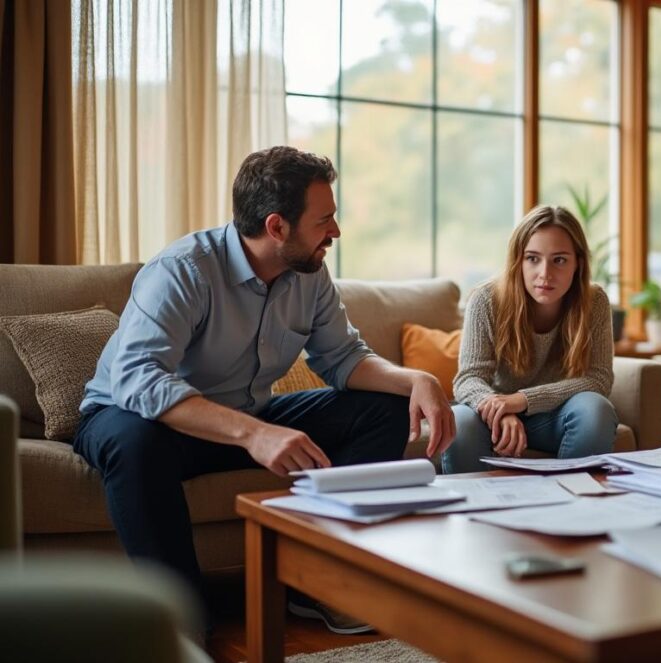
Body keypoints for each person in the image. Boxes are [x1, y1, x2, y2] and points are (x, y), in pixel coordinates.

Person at [74, 146, 455, 633]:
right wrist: (254, 434)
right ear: (277, 227)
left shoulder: (309, 276)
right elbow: (137, 378)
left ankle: (314, 582)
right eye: (324, 221)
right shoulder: (184, 270)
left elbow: (343, 358)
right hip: (138, 419)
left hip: (244, 416)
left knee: (382, 408)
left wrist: (414, 380)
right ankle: (181, 626)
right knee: (135, 443)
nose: (335, 232)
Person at [441, 205, 617, 474]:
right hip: (493, 418)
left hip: (555, 417)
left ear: (578, 263)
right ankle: (473, 510)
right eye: (533, 258)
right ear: (518, 261)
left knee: (595, 410)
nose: (545, 273)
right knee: (461, 419)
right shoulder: (486, 300)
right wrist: (502, 410)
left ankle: (573, 504)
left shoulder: (594, 302)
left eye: (559, 260)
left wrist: (521, 400)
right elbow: (468, 379)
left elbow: (598, 378)